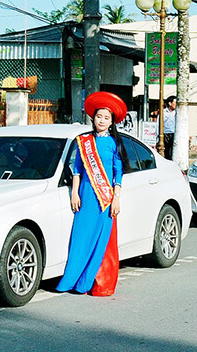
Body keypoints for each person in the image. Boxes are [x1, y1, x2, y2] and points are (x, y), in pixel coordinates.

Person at [57, 92, 127, 296]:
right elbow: (77, 169)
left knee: (99, 240)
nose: (102, 121)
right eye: (99, 117)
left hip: (105, 199)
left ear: (112, 121)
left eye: (106, 118)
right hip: (86, 195)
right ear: (93, 118)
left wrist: (116, 198)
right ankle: (70, 280)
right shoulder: (84, 142)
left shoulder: (114, 143)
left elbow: (118, 173)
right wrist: (74, 193)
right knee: (80, 237)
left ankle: (86, 283)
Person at [161, 96, 177, 160]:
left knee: (173, 151)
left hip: (174, 133)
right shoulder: (163, 112)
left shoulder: (176, 112)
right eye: (175, 102)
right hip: (165, 133)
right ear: (170, 103)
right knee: (166, 151)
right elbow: (158, 124)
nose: (176, 104)